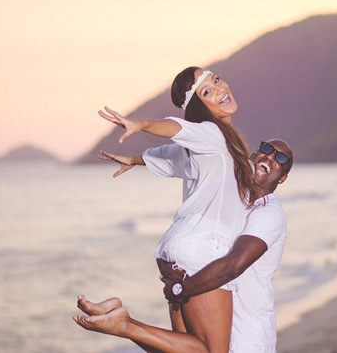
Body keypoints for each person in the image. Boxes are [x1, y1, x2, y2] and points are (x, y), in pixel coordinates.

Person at [74, 139, 294, 353]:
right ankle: (123, 322)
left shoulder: (268, 213)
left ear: (282, 178)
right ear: (252, 156)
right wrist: (136, 159)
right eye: (266, 148)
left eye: (281, 158)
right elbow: (187, 159)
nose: (270, 156)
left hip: (246, 333)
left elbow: (234, 264)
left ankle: (124, 324)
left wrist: (181, 288)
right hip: (206, 304)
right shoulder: (229, 197)